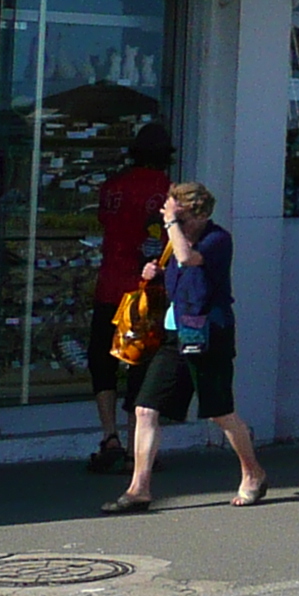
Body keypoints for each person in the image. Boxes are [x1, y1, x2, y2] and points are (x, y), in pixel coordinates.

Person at [104, 181, 266, 513]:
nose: (175, 222)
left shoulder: (217, 239)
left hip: (208, 334)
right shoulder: (174, 241)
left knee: (220, 413)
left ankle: (253, 473)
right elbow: (176, 269)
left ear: (199, 214)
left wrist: (172, 225)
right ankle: (139, 488)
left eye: (181, 215)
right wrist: (155, 272)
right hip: (175, 333)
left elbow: (188, 258)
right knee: (145, 408)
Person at [88, 123, 175, 473]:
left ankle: (109, 435)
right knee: (140, 365)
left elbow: (106, 224)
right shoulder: (166, 191)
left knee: (102, 360)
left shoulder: (112, 187)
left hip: (109, 284)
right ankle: (134, 445)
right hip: (145, 291)